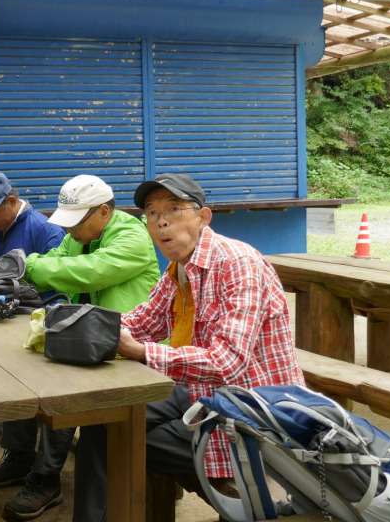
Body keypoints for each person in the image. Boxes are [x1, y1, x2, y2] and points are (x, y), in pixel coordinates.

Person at [72, 173, 305, 522]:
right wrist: (77, 327)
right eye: (152, 213)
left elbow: (227, 362)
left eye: (174, 210)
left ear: (203, 217)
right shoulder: (180, 267)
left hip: (251, 414)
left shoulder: (238, 264)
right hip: (201, 393)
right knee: (104, 415)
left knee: (119, 435)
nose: (161, 221)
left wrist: (141, 352)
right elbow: (143, 321)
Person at [0, 174, 162, 521]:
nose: (69, 230)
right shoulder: (77, 237)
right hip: (90, 339)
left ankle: (46, 479)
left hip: (131, 350)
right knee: (21, 370)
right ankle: (19, 457)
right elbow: (58, 259)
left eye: (75, 223)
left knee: (63, 392)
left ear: (103, 212)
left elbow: (89, 272)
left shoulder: (132, 236)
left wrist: (29, 264)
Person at [0, 171, 67, 458]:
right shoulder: (3, 228)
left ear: (11, 201)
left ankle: (17, 448)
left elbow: (59, 280)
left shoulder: (45, 228)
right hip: (13, 315)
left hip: (40, 320)